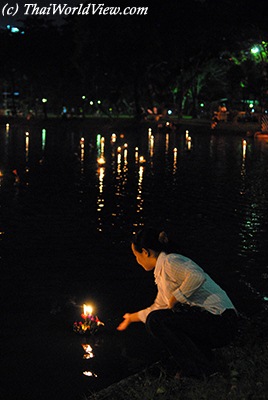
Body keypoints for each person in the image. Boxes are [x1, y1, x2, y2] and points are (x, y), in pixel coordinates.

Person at [117, 227, 238, 379]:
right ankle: (202, 363)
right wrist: (131, 318)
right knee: (156, 319)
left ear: (146, 252)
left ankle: (198, 369)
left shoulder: (170, 261)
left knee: (157, 321)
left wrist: (176, 298)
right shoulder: (161, 274)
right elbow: (157, 308)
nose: (137, 260)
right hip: (213, 322)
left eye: (136, 255)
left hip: (222, 321)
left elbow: (197, 276)